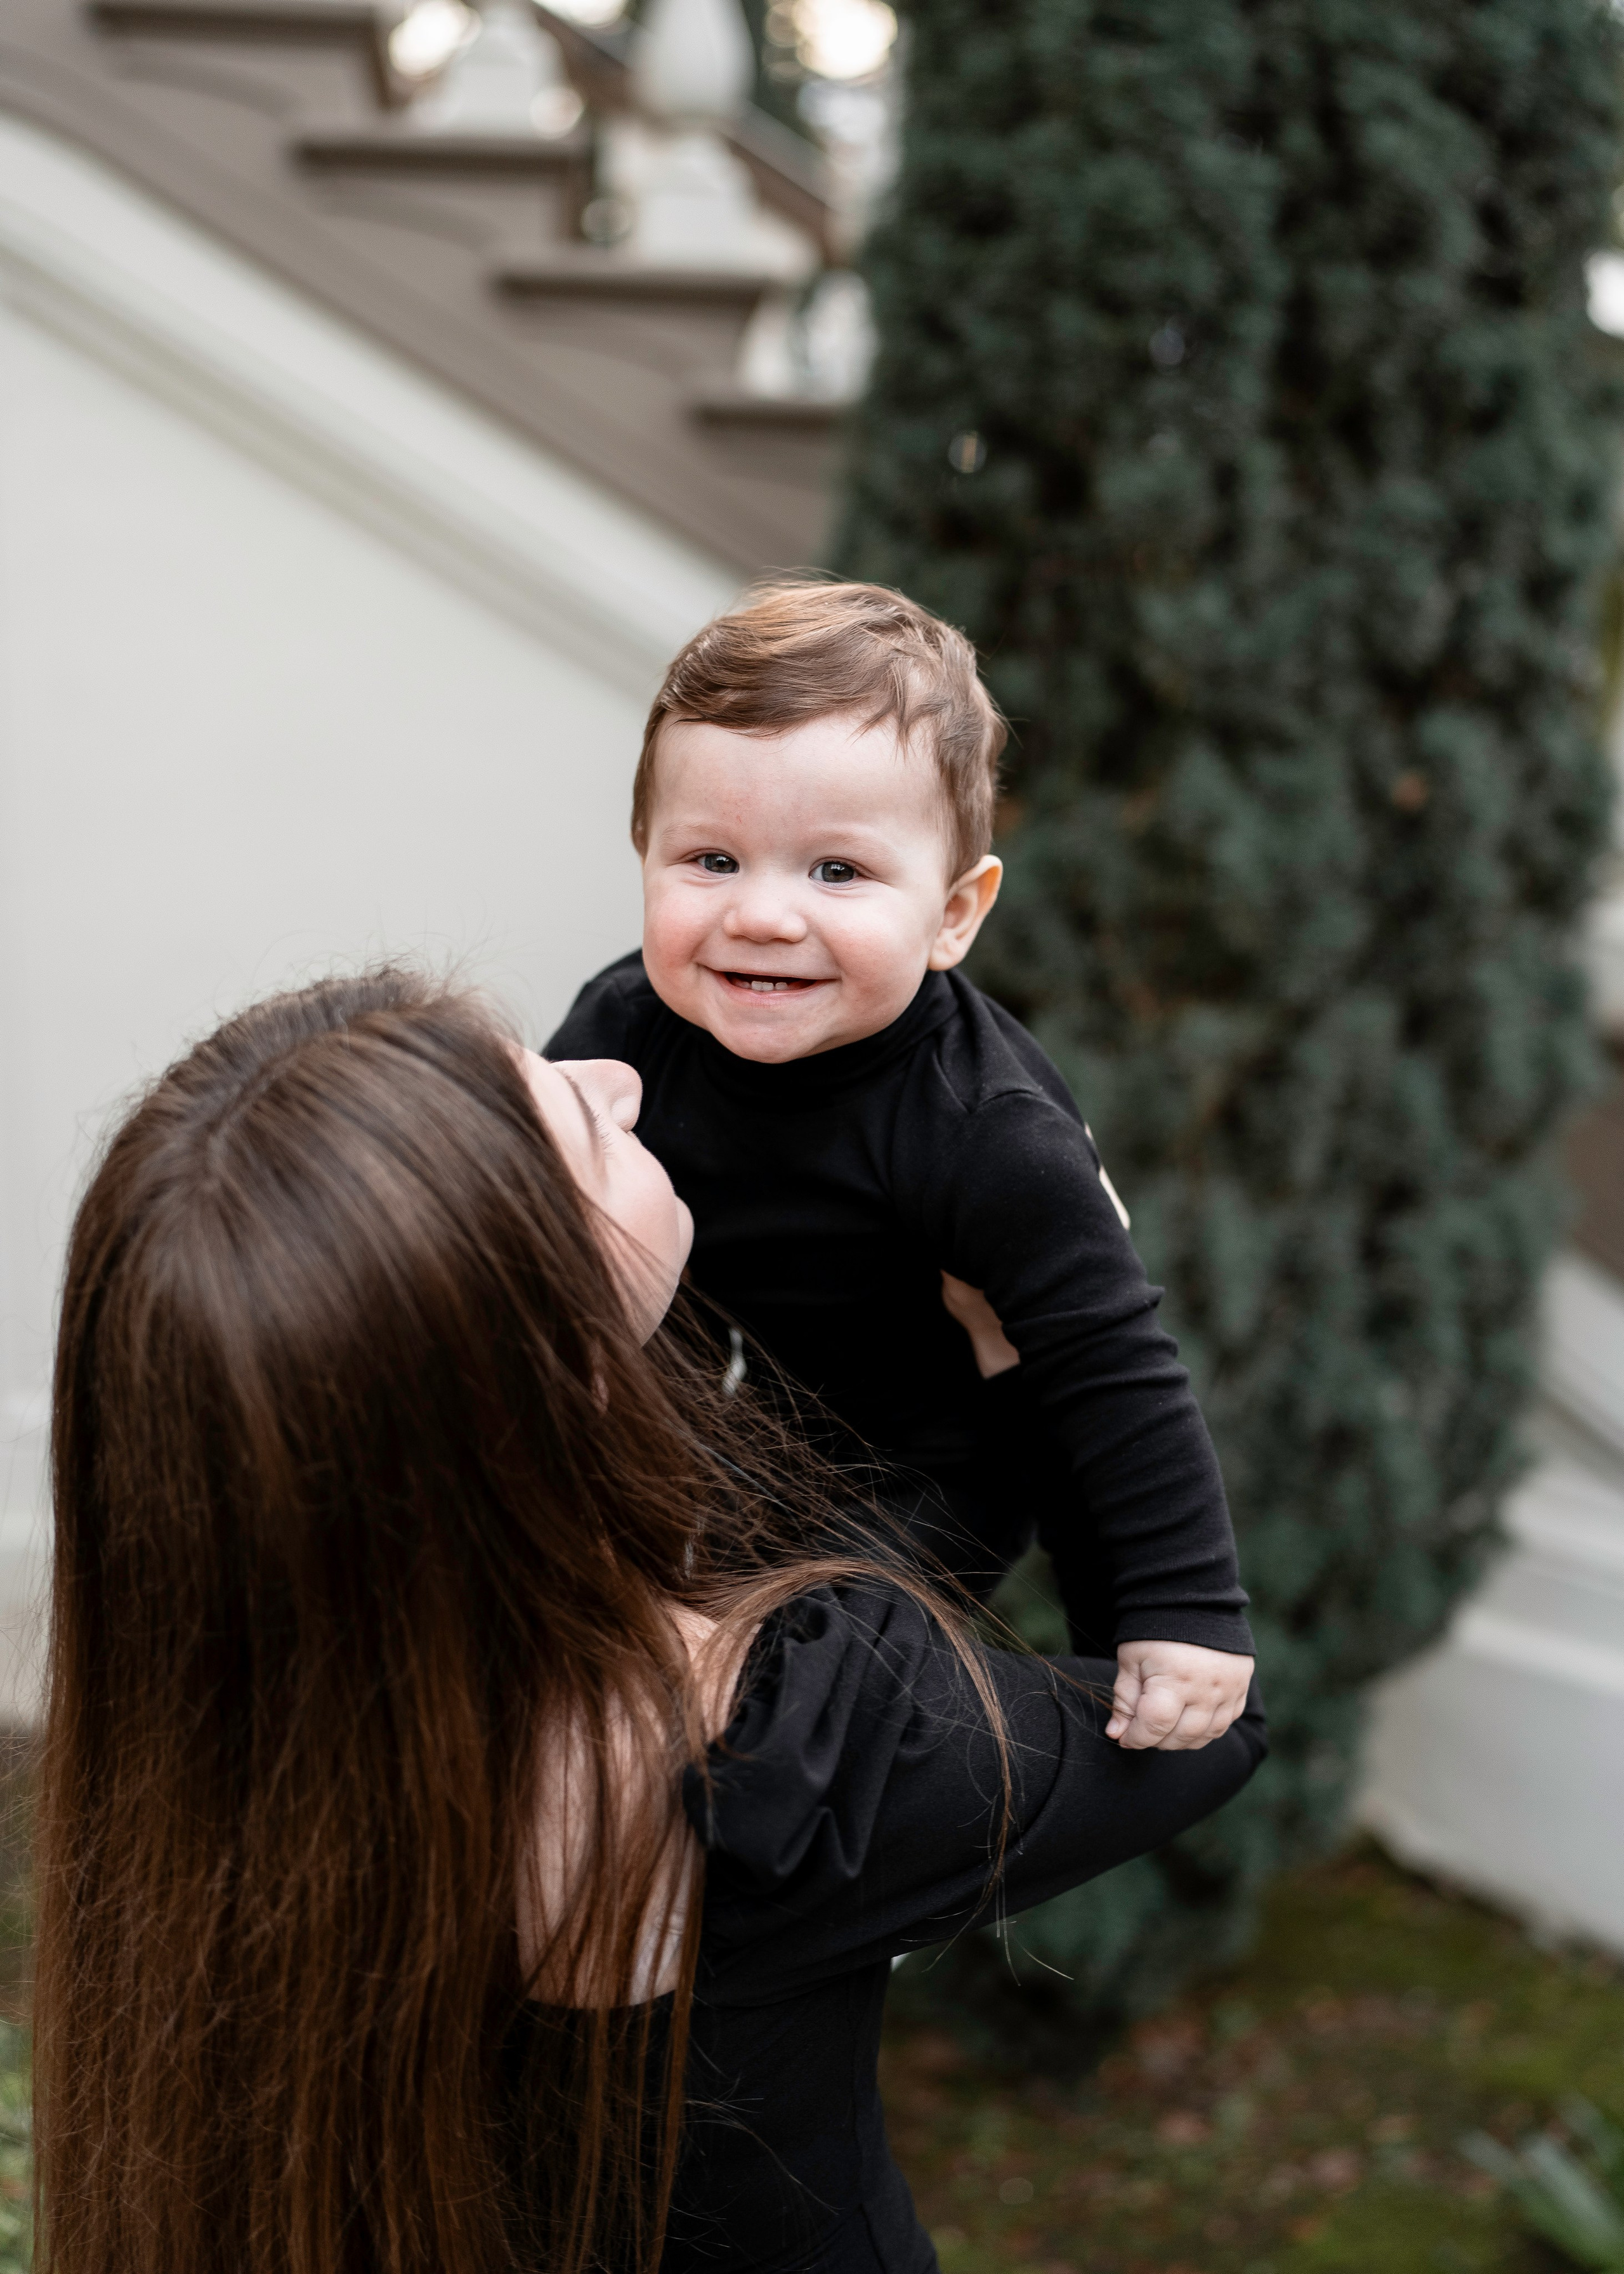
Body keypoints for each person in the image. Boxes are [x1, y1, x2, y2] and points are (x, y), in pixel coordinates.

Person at [36, 966, 1266, 2274]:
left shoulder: (205, 1727)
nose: (618, 1071)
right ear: (555, 1347)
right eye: (574, 1118)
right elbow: (1197, 1734)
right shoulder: (784, 1743)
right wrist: (1051, 1353)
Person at [546, 579, 1254, 1756]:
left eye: (837, 873)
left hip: (926, 1453)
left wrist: (1174, 1614)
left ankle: (793, 1891)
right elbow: (540, 1230)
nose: (763, 916)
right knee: (610, 1635)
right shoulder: (628, 1023)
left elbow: (1108, 1371)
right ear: (643, 857)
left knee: (797, 1674)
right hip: (715, 1400)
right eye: (711, 859)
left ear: (954, 914)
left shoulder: (986, 1129)